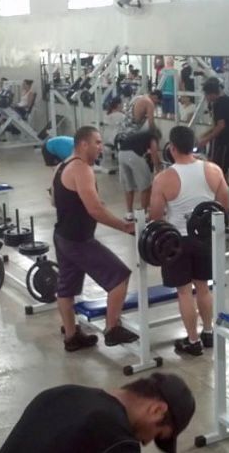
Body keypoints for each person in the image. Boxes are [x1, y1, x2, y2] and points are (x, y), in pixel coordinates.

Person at [51, 126, 139, 351]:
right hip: (79, 240)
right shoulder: (81, 168)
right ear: (83, 144)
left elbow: (54, 199)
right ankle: (112, 329)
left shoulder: (63, 165)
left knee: (66, 289)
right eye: (97, 143)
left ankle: (71, 337)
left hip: (62, 236)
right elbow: (95, 210)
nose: (101, 147)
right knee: (120, 276)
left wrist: (85, 202)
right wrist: (125, 227)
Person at [149, 126, 229, 356]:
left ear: (172, 148)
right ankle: (208, 332)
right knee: (203, 288)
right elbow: (225, 206)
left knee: (184, 292)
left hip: (177, 242)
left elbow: (155, 216)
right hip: (204, 239)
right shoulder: (213, 170)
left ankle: (193, 341)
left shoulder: (163, 178)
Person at [0, 373, 195, 453]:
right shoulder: (119, 441)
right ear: (157, 409)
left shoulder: (60, 393)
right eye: (157, 435)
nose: (146, 442)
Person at [117, 91, 163, 219]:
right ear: (155, 97)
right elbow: (154, 153)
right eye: (157, 101)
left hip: (122, 149)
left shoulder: (136, 98)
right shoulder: (149, 104)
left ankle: (129, 213)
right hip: (133, 153)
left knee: (129, 185)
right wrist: (158, 169)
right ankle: (143, 214)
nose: (156, 104)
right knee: (146, 186)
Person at [198, 78, 229, 187]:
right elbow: (219, 125)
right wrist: (204, 135)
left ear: (211, 94)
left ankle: (224, 194)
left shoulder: (219, 104)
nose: (206, 98)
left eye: (206, 95)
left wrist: (206, 140)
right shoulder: (228, 100)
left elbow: (221, 126)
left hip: (226, 143)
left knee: (221, 171)